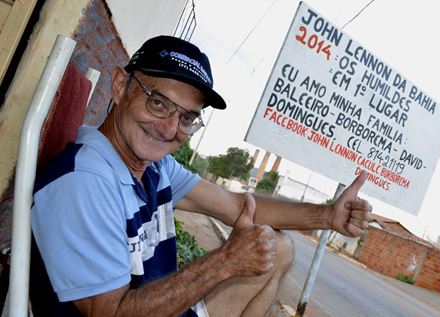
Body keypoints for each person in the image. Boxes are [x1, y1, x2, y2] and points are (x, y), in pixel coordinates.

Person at [30, 35, 372, 316]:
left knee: (277, 247)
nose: (168, 129)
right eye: (158, 103)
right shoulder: (84, 182)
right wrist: (224, 262)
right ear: (120, 86)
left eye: (187, 118)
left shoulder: (153, 167)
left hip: (157, 307)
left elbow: (240, 206)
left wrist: (327, 216)